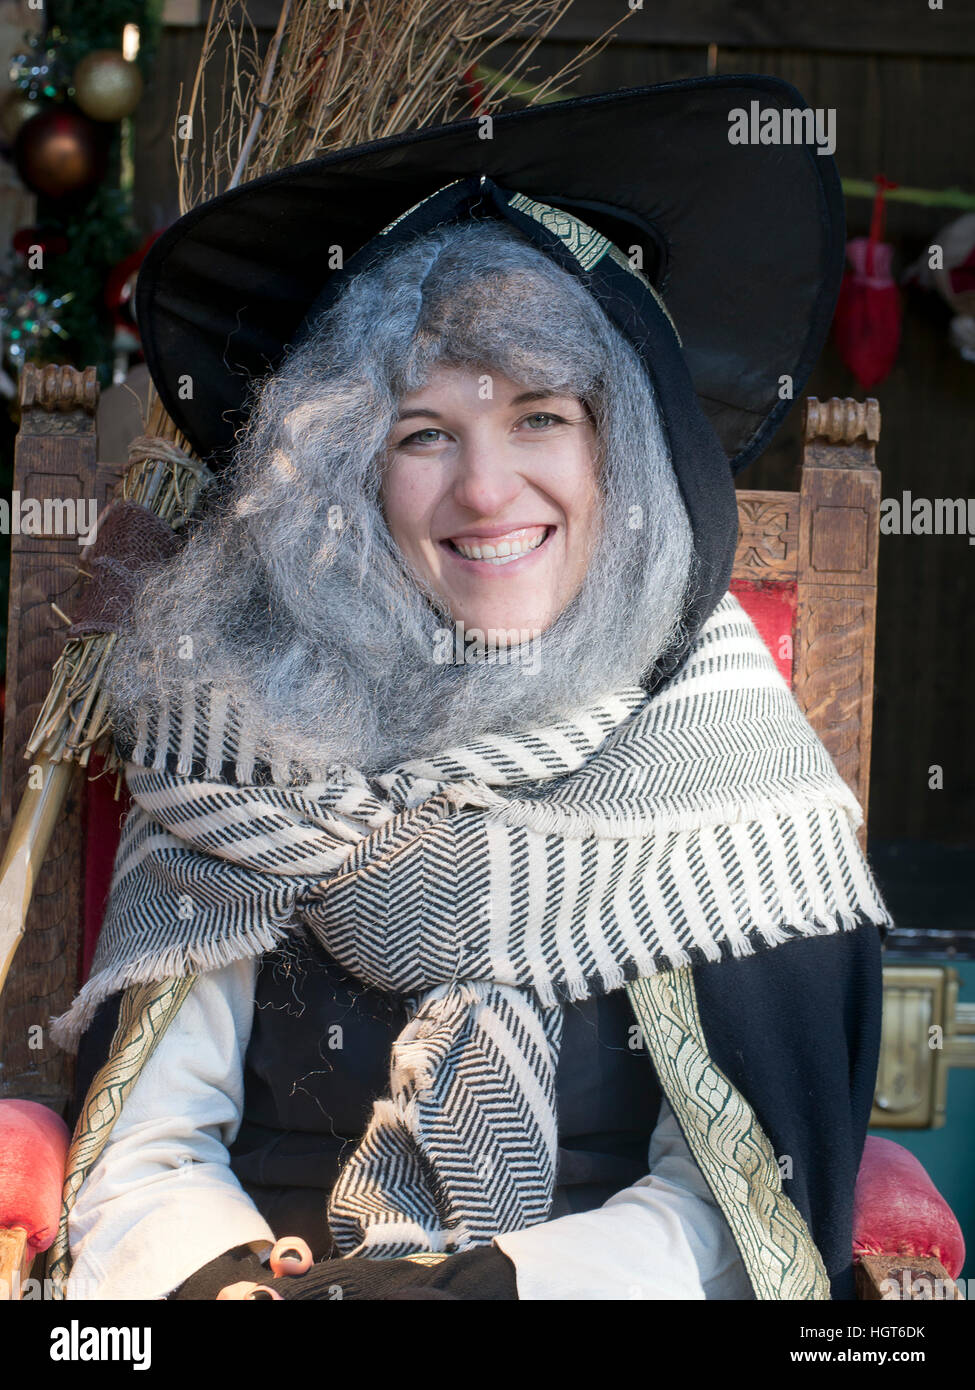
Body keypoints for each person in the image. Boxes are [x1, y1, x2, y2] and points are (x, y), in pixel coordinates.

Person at [49, 76, 893, 1301]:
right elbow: (146, 1147)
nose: (488, 493)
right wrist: (221, 1281)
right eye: (422, 433)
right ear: (347, 475)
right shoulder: (239, 725)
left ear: (625, 455)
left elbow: (736, 1211)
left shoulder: (736, 780)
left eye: (542, 417)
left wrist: (473, 1295)